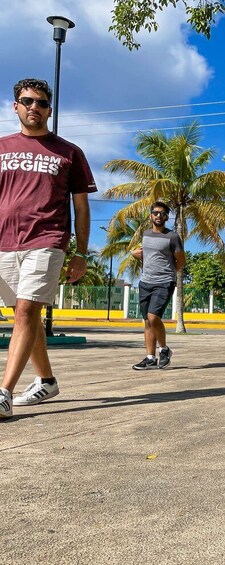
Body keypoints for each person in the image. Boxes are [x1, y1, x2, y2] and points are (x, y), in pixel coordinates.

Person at [0, 78, 96, 419]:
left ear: (49, 110)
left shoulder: (69, 153)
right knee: (25, 315)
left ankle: (3, 392)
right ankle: (46, 379)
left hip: (47, 240)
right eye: (27, 101)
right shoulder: (1, 148)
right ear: (16, 106)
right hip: (4, 244)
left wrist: (81, 254)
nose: (34, 108)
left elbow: (82, 208)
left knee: (26, 312)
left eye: (41, 103)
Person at [130, 201, 185, 370]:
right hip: (145, 281)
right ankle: (150, 357)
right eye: (155, 213)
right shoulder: (146, 234)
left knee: (154, 318)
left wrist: (167, 274)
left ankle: (164, 349)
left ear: (167, 216)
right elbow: (148, 255)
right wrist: (134, 254)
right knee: (147, 321)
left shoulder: (173, 237)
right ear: (150, 215)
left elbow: (181, 261)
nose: (158, 216)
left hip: (164, 282)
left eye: (162, 213)